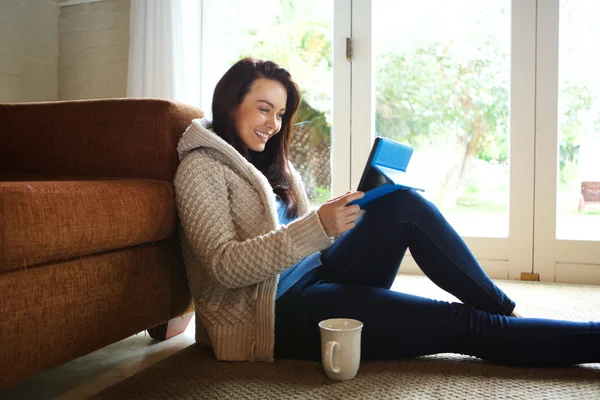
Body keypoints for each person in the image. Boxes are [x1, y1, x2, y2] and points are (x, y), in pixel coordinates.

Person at [174, 56, 600, 367]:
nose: (274, 123)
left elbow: (300, 239)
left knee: (402, 205)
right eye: (264, 108)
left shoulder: (266, 163)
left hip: (317, 276)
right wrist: (314, 228)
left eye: (281, 113)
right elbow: (222, 267)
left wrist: (336, 220)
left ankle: (505, 310)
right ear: (231, 103)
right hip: (273, 314)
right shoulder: (200, 168)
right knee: (460, 324)